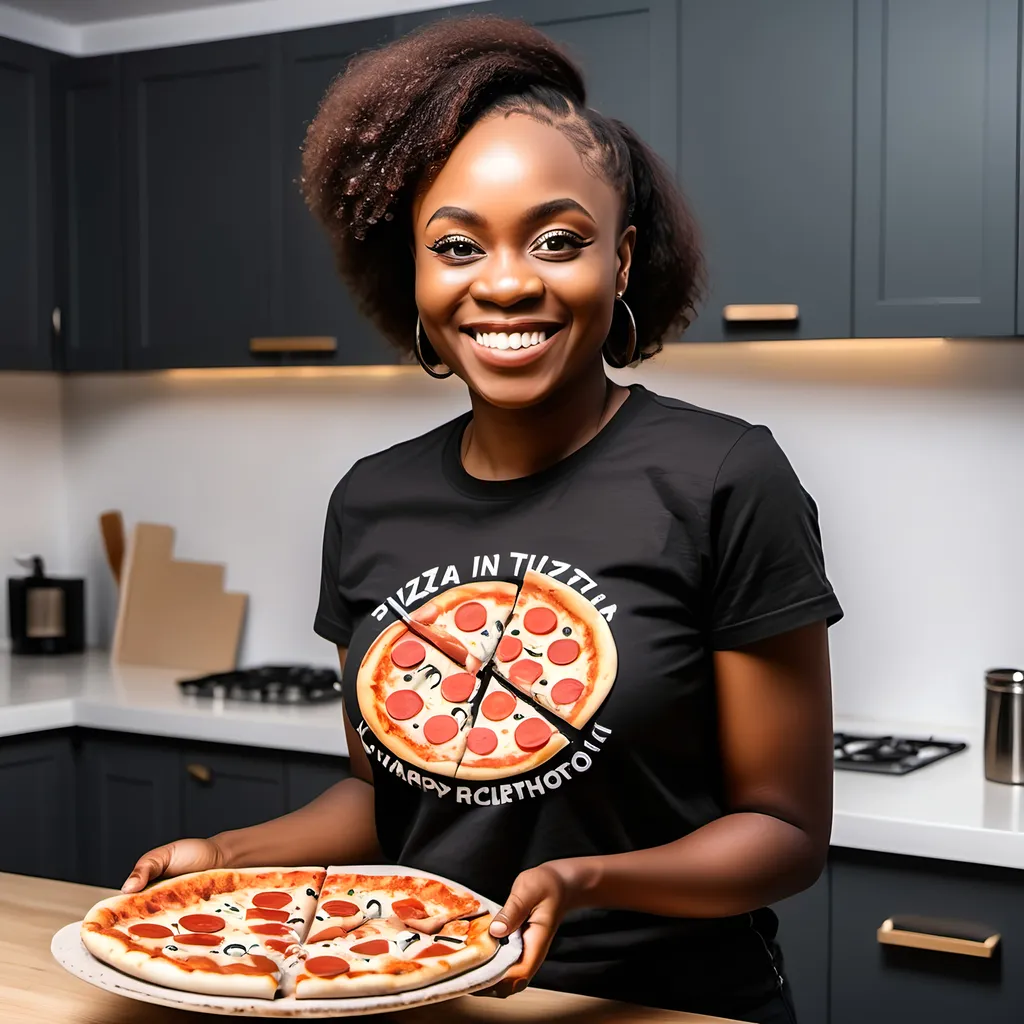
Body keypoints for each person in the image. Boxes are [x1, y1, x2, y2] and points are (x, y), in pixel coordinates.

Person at [122, 16, 841, 1023]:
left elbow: (784, 829)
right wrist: (223, 856)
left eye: (557, 239)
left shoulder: (724, 474)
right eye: (457, 245)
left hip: (665, 1005)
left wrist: (588, 879)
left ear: (622, 260)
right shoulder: (370, 498)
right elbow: (388, 797)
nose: (505, 281)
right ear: (412, 274)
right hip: (427, 994)